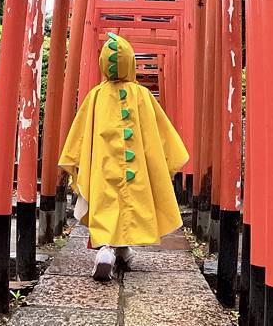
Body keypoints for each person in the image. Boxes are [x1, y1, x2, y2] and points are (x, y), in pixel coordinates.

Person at [59, 33, 189, 280]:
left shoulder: (95, 96)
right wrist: (165, 161)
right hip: (136, 166)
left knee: (105, 202)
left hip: (102, 163)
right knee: (131, 204)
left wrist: (76, 161)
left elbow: (79, 135)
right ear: (131, 62)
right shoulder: (142, 96)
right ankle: (123, 249)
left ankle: (108, 249)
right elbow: (161, 134)